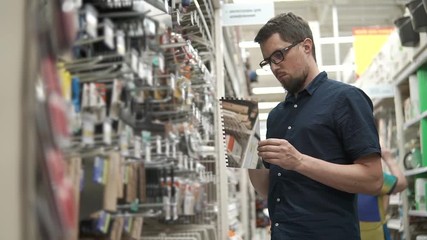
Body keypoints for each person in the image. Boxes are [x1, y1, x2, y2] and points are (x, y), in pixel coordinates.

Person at [248, 12, 384, 240]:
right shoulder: (276, 117)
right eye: (268, 60)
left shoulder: (346, 99)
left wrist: (299, 161)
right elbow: (271, 190)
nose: (274, 66)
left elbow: (373, 180)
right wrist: (246, 155)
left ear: (307, 46)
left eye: (279, 55)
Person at [358, 148, 408, 240]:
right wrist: (389, 159)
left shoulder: (334, 174)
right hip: (375, 235)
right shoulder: (371, 177)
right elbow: (401, 183)